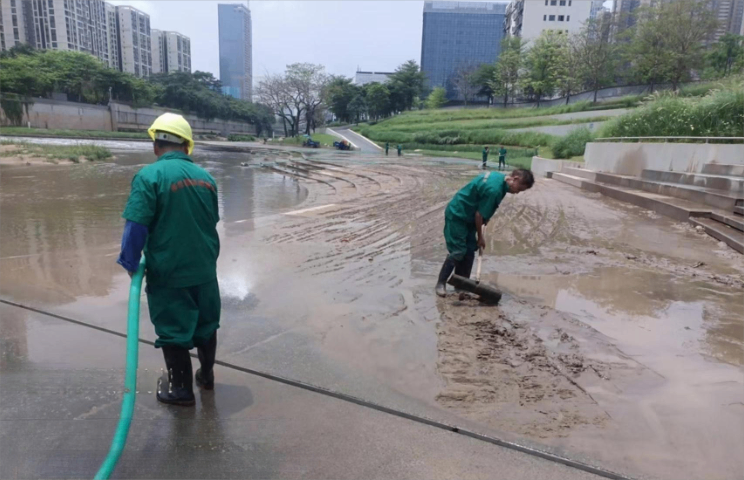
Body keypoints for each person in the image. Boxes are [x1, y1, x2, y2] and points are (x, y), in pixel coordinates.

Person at [117, 113, 221, 407]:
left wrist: (129, 263)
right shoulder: (208, 178)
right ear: (188, 146)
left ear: (155, 145)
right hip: (205, 270)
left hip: (170, 273)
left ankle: (181, 390)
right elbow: (210, 220)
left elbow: (136, 226)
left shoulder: (149, 176)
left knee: (174, 330)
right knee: (206, 325)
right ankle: (207, 376)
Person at [435, 168, 535, 297]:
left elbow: (483, 209)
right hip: (458, 215)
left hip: (469, 216)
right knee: (458, 251)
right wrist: (480, 237)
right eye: (519, 189)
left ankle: (461, 285)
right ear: (515, 179)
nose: (517, 193)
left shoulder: (499, 179)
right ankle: (440, 283)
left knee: (470, 250)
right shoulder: (495, 190)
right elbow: (479, 215)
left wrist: (485, 218)